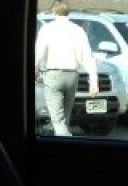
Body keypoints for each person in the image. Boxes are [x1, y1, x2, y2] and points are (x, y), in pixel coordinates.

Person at [35, 2, 98, 137]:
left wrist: (35, 71)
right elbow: (87, 57)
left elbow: (39, 53)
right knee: (65, 117)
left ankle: (63, 146)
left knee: (58, 121)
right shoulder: (78, 30)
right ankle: (63, 139)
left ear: (53, 12)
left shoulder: (47, 29)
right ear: (68, 12)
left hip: (53, 75)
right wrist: (93, 81)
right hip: (72, 76)